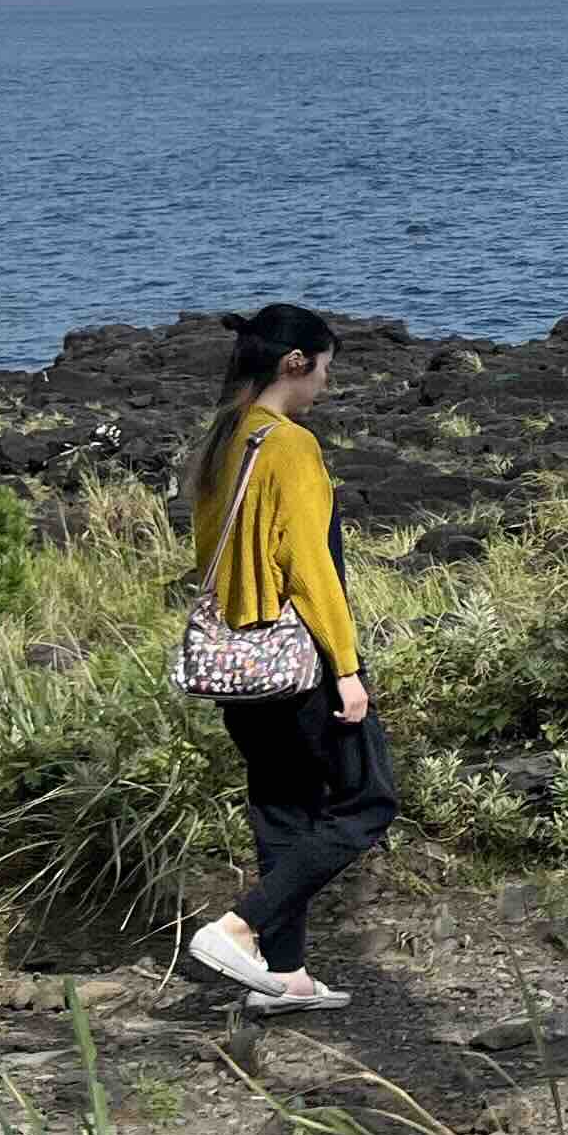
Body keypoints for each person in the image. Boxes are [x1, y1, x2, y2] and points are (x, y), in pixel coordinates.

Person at [177, 305, 396, 1017]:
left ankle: (286, 976)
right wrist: (347, 666)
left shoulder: (223, 437)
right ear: (294, 363)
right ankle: (239, 927)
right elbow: (309, 569)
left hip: (237, 663)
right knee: (368, 799)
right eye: (325, 370)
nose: (325, 388)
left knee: (284, 809)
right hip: (295, 660)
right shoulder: (291, 447)